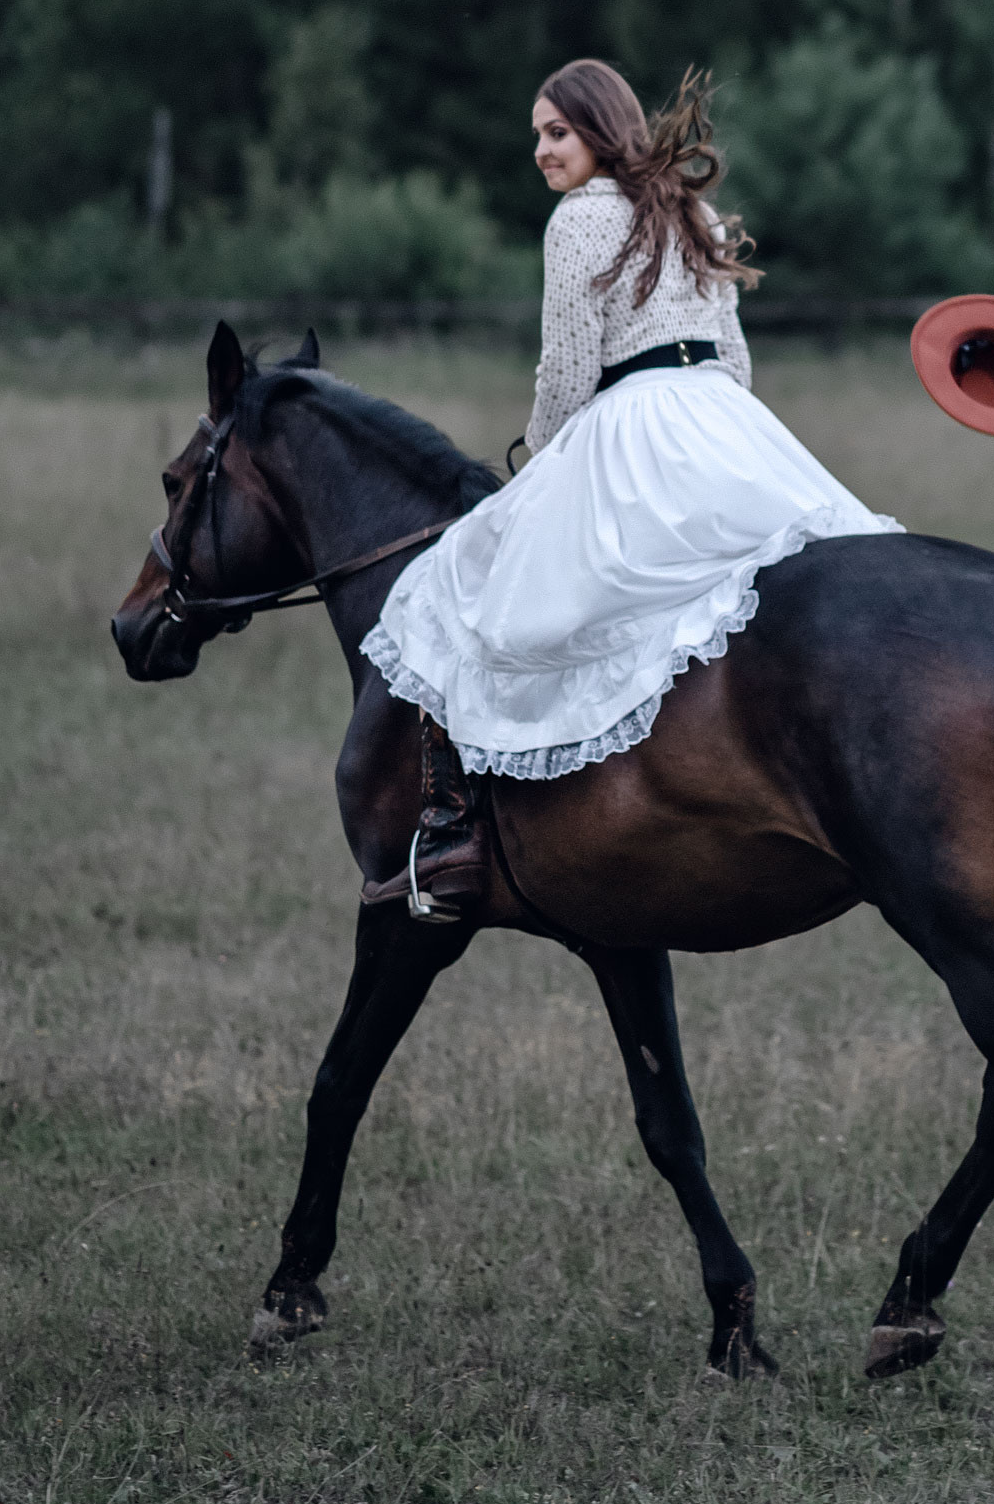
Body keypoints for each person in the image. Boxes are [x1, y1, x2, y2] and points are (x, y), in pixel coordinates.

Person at [360, 59, 901, 920]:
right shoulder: (695, 211)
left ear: (599, 129)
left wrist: (541, 458)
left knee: (455, 583)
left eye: (556, 132)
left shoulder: (580, 218)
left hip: (630, 421)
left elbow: (569, 367)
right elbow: (734, 357)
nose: (541, 151)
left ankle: (454, 829)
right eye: (537, 136)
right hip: (722, 419)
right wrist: (718, 436)